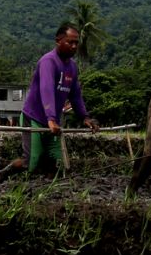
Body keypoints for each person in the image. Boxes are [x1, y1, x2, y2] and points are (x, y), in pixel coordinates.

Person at [16, 23, 100, 175]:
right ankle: (1, 175)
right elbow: (46, 89)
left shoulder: (72, 67)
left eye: (76, 43)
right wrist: (51, 118)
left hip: (53, 121)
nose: (74, 46)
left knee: (61, 164)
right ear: (58, 41)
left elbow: (75, 95)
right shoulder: (49, 61)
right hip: (34, 118)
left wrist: (85, 117)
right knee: (29, 164)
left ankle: (48, 192)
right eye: (70, 42)